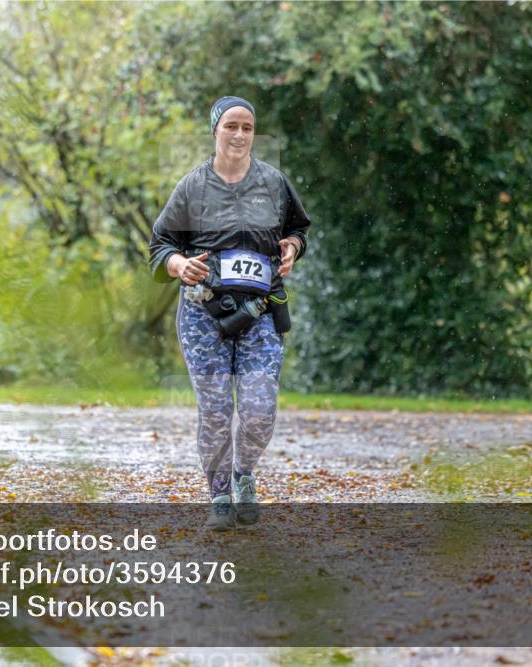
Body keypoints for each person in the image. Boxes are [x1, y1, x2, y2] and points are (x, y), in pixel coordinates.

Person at [148, 96, 311, 530]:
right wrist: (180, 265)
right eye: (231, 126)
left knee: (259, 409)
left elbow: (298, 229)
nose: (240, 135)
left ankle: (244, 475)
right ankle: (219, 492)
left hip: (260, 312)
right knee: (216, 409)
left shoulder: (273, 183)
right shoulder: (192, 187)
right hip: (204, 314)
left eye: (247, 128)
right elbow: (159, 245)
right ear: (215, 130)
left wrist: (292, 248)